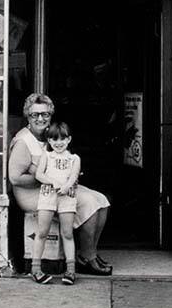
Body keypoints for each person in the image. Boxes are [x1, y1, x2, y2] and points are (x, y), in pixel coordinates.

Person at [8, 93, 112, 275]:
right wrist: (46, 178)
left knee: (101, 200)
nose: (40, 119)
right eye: (35, 115)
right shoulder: (23, 141)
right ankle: (87, 258)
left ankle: (88, 252)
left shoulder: (51, 135)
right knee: (89, 202)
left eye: (45, 114)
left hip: (54, 188)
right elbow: (15, 178)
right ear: (28, 116)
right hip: (33, 193)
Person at [31, 122, 80, 285]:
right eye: (54, 139)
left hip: (67, 197)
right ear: (49, 141)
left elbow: (73, 177)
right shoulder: (47, 155)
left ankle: (70, 270)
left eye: (62, 139)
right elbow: (39, 174)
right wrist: (53, 183)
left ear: (69, 139)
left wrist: (66, 187)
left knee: (67, 233)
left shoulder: (74, 158)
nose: (58, 142)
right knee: (42, 232)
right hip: (48, 196)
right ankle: (36, 269)